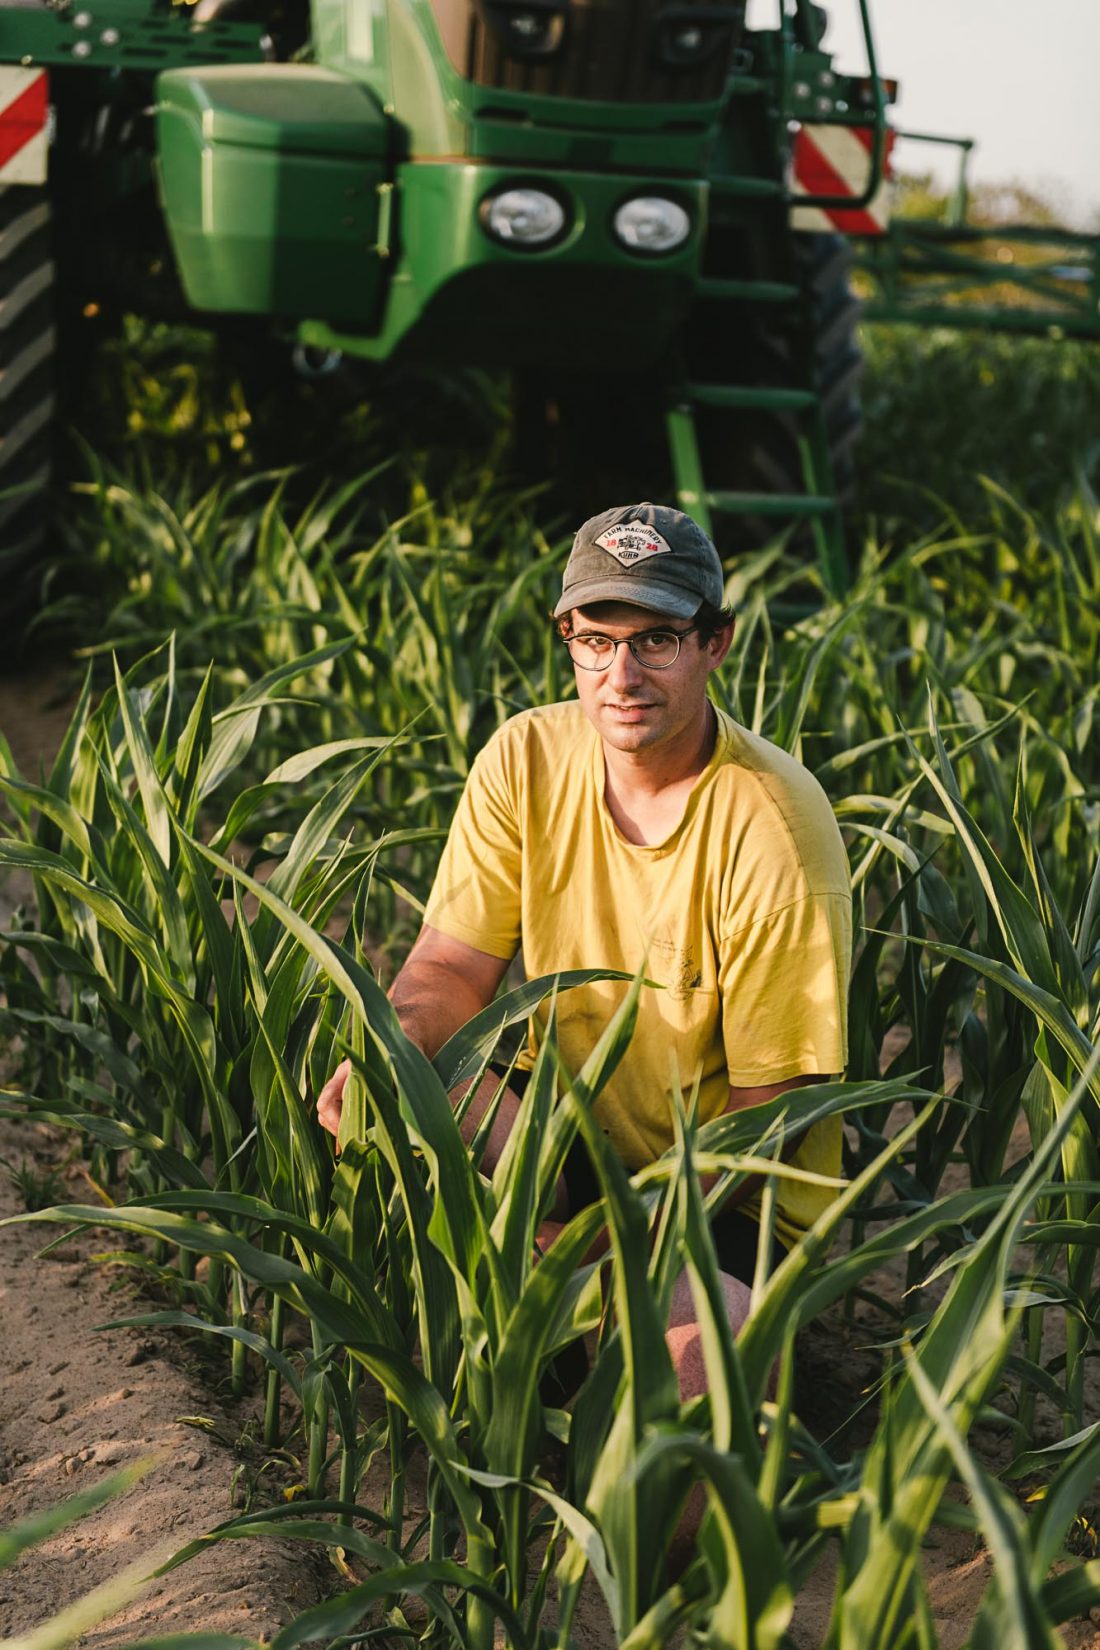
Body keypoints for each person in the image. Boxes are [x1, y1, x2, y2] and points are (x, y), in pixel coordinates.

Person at [317, 500, 851, 1403]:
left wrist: (594, 1239)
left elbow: (763, 1129)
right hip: (569, 1140)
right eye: (595, 639)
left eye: (656, 641)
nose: (621, 675)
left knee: (690, 1379)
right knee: (399, 1067)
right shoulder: (526, 756)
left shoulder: (777, 832)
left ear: (716, 643)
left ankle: (658, 1406)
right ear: (567, 637)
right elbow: (446, 974)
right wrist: (394, 1052)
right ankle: (508, 1371)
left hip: (724, 1203)